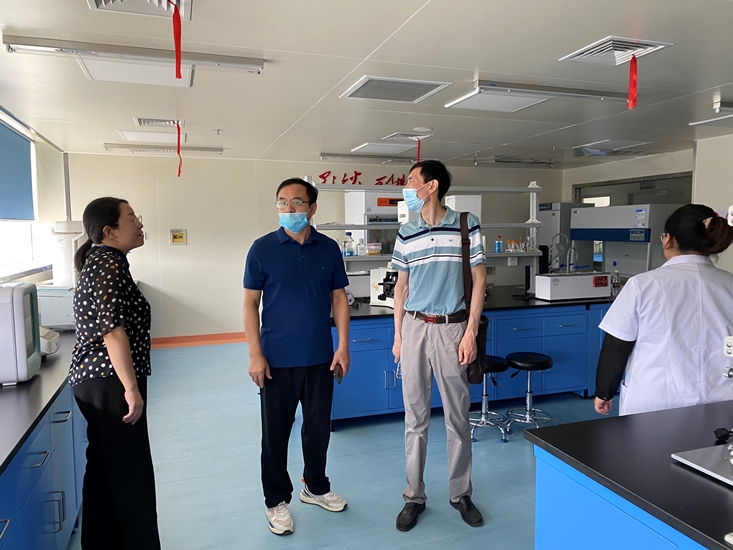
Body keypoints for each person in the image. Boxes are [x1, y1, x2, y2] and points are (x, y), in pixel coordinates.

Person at [243, 177, 351, 536]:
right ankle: (275, 500)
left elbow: (339, 298)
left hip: (320, 357)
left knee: (318, 429)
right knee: (275, 435)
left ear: (312, 207)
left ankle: (315, 487)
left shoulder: (328, 248)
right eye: (282, 202)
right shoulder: (261, 249)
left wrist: (343, 346)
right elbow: (250, 303)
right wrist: (255, 354)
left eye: (296, 202)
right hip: (276, 360)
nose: (288, 209)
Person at [391, 160, 487, 531]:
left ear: (431, 186)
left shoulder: (466, 223)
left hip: (452, 329)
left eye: (411, 181)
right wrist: (398, 335)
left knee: (457, 417)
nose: (407, 188)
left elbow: (479, 279)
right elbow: (401, 287)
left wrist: (470, 332)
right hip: (415, 327)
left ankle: (460, 493)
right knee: (414, 419)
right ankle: (413, 496)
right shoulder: (406, 232)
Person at [69, 197, 161, 550]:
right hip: (110, 381)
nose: (139, 224)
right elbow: (112, 332)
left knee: (105, 470)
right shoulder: (108, 265)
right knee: (130, 473)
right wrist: (131, 388)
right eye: (132, 219)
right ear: (110, 231)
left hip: (97, 380)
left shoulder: (102, 261)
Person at [595, 204, 733, 417]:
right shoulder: (729, 284)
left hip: (656, 401)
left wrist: (604, 392)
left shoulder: (642, 285)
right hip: (721, 400)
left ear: (669, 239)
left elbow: (617, 346)